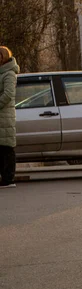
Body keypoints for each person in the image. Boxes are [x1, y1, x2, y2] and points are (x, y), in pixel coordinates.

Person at [0, 46, 19, 188]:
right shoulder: (2, 73)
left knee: (7, 147)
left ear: (2, 57)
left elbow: (8, 95)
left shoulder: (9, 74)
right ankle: (5, 178)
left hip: (5, 115)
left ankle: (8, 178)